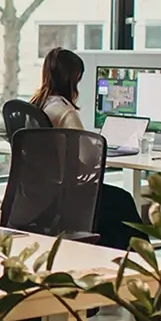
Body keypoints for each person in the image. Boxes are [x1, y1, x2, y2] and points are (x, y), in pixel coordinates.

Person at [29, 48, 145, 251]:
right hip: (66, 194)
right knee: (122, 200)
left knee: (112, 202)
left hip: (39, 191)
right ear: (73, 78)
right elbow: (90, 157)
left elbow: (2, 128)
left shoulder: (35, 105)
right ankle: (141, 258)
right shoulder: (65, 112)